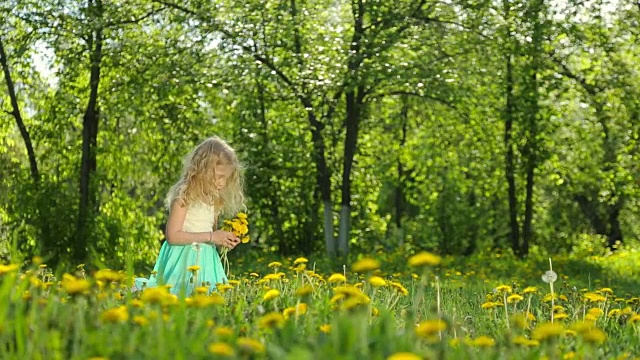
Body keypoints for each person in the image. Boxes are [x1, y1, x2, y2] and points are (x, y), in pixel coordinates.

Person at [135, 136, 245, 295]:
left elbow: (210, 236)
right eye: (219, 176)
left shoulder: (214, 199)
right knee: (179, 295)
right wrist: (212, 236)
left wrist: (223, 239)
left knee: (209, 298)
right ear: (203, 170)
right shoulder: (184, 196)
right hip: (184, 258)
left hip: (206, 261)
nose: (222, 183)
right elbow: (173, 236)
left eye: (226, 179)